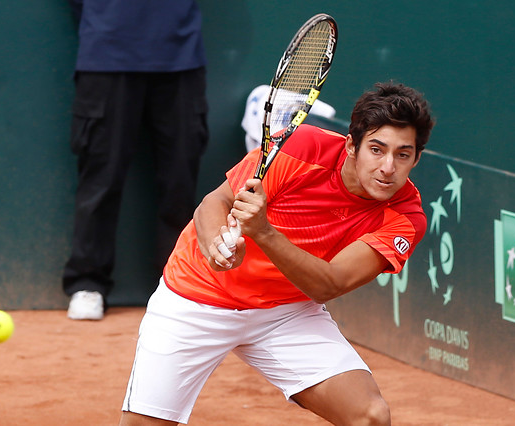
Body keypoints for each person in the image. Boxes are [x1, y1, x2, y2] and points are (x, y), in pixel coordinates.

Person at [119, 82, 435, 425]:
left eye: (402, 154)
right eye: (377, 149)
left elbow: (329, 284)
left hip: (285, 313)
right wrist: (215, 250)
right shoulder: (300, 147)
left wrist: (263, 232)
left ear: (416, 158)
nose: (388, 167)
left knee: (370, 416)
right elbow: (216, 201)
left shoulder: (406, 218)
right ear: (351, 147)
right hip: (197, 298)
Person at [59, 0, 210, 320]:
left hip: (180, 58)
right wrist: (104, 22)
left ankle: (179, 287)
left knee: (179, 181)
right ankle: (88, 283)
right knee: (100, 178)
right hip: (106, 56)